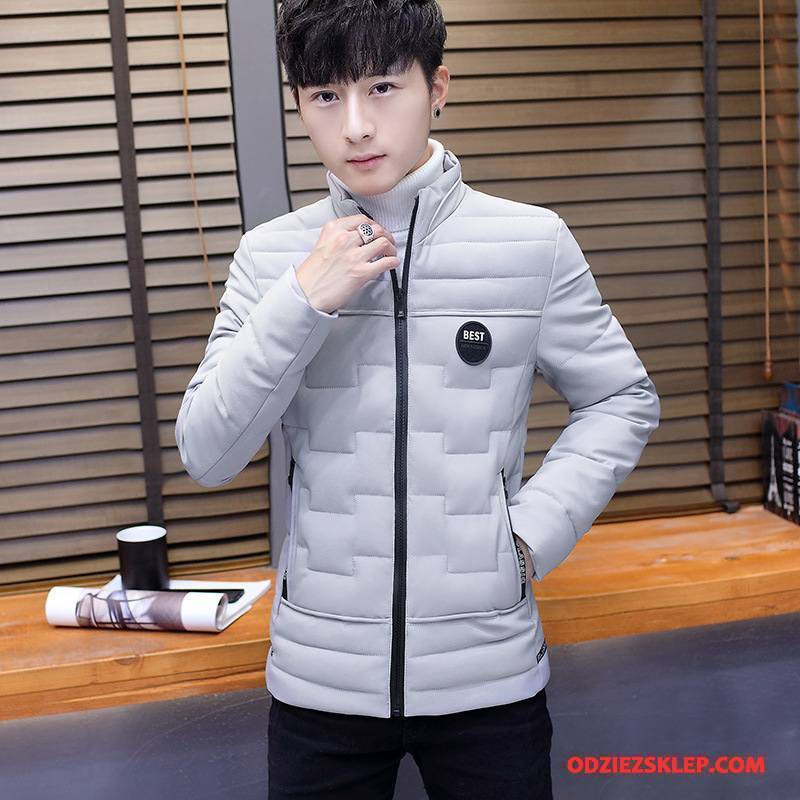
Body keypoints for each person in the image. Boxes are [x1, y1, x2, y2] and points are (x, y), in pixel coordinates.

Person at [174, 1, 661, 797]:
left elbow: (620, 398)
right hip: (320, 684)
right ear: (299, 104)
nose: (355, 126)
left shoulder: (531, 244)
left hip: (489, 678)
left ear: (437, 88)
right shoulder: (270, 259)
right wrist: (303, 299)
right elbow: (207, 452)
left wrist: (526, 539)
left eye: (382, 87)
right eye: (325, 96)